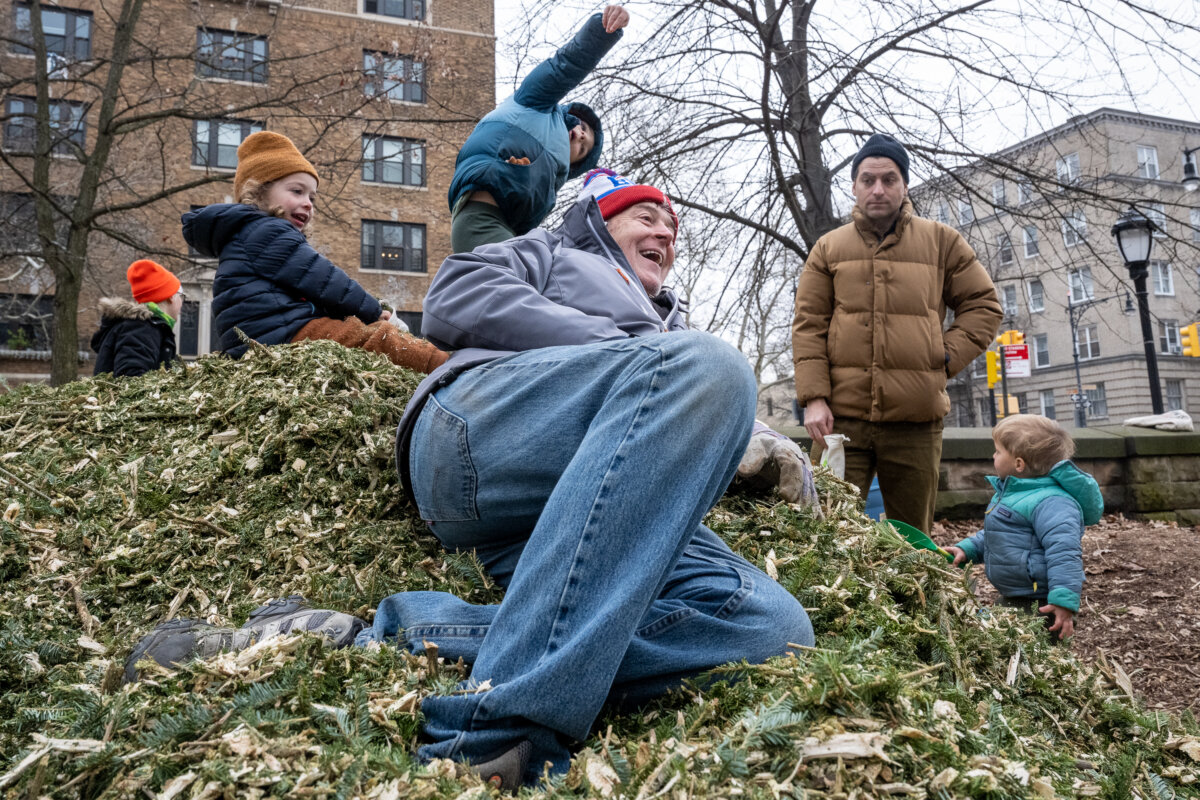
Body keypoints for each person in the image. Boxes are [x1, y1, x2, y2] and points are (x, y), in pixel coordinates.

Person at [366, 167, 816, 787]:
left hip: (584, 517)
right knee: (711, 365)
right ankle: (497, 729)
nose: (666, 231)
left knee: (770, 626)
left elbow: (690, 388)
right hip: (482, 438)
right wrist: (625, 348)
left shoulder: (669, 327)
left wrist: (764, 443)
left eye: (673, 225)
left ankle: (413, 630)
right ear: (601, 222)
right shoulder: (553, 251)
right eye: (646, 217)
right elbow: (454, 296)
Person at [792, 133, 1003, 534]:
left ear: (904, 185)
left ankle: (911, 601)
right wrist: (814, 398)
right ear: (853, 186)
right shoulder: (828, 248)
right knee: (826, 532)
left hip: (916, 421)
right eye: (868, 179)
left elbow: (984, 306)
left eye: (889, 179)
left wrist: (941, 358)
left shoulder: (942, 242)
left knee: (913, 540)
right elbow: (808, 325)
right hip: (840, 420)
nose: (878, 189)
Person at [182, 131, 445, 373]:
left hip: (267, 336)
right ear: (258, 192)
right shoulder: (267, 232)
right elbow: (327, 281)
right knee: (377, 339)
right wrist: (374, 311)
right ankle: (443, 363)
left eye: (312, 197)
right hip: (283, 335)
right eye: (297, 191)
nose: (307, 203)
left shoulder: (250, 234)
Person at [447, 6, 628, 253]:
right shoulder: (536, 102)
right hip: (480, 216)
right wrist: (602, 32)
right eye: (584, 128)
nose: (582, 136)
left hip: (507, 231)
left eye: (583, 148)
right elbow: (565, 65)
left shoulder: (551, 181)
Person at [946, 414, 1103, 641]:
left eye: (999, 451)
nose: (993, 455)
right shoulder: (1015, 494)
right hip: (1016, 596)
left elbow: (1065, 552)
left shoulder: (1052, 502)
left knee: (1031, 660)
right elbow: (1000, 535)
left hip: (1042, 604)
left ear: (1019, 464)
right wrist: (967, 549)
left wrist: (1063, 601)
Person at [91, 259, 184, 378]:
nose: (182, 303)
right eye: (181, 297)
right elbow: (131, 379)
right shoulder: (142, 329)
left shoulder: (144, 327)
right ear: (171, 297)